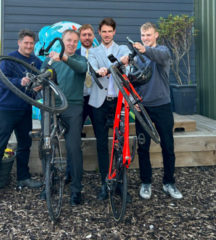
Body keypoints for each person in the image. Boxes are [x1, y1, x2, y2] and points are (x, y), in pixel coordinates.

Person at [121, 22, 183, 200]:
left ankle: (169, 183)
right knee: (143, 147)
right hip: (142, 108)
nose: (145, 38)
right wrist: (134, 101)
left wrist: (142, 50)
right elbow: (131, 81)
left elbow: (158, 56)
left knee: (168, 147)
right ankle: (146, 183)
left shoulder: (162, 51)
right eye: (142, 35)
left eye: (148, 35)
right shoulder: (136, 55)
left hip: (163, 106)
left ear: (156, 35)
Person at [0, 29, 43, 205]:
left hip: (25, 109)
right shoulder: (8, 59)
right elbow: (1, 81)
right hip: (6, 110)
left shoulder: (36, 61)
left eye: (31, 43)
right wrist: (20, 82)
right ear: (19, 43)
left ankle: (23, 177)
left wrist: (38, 86)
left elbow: (40, 79)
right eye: (26, 43)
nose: (29, 46)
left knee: (25, 145)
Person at [40, 29, 87, 206]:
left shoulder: (81, 59)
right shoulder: (50, 59)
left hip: (73, 107)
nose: (72, 43)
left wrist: (64, 58)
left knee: (74, 148)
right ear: (62, 41)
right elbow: (41, 78)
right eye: (69, 40)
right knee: (47, 146)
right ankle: (48, 184)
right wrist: (35, 85)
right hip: (51, 106)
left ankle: (76, 189)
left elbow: (81, 68)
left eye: (75, 41)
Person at [87, 17, 132, 202]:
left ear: (114, 32)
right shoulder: (93, 51)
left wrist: (124, 62)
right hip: (99, 103)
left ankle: (120, 184)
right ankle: (106, 184)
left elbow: (128, 65)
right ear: (100, 32)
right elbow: (92, 69)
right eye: (103, 31)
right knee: (101, 145)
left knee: (120, 145)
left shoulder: (122, 49)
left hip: (119, 102)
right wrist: (99, 71)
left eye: (109, 31)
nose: (106, 34)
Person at [64, 24, 97, 185]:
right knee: (73, 139)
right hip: (79, 99)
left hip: (96, 99)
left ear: (93, 36)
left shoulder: (99, 52)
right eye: (83, 35)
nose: (86, 37)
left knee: (101, 138)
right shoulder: (73, 54)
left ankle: (105, 177)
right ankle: (69, 173)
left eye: (89, 35)